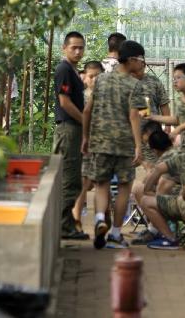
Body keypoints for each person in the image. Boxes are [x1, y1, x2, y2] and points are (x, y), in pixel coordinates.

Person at [82, 40, 146, 249]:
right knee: (124, 187)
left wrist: (85, 137)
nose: (142, 64)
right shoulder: (134, 85)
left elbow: (87, 111)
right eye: (141, 60)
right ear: (133, 59)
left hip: (99, 141)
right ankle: (116, 234)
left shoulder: (100, 80)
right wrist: (138, 145)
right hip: (124, 144)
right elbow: (134, 115)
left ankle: (100, 217)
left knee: (101, 184)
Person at [138, 126, 185, 249]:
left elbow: (158, 172)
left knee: (146, 197)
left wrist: (147, 188)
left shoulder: (183, 158)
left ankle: (169, 237)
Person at [53, 31, 89, 240]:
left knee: (73, 177)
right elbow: (65, 102)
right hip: (68, 128)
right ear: (64, 48)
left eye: (81, 47)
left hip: (74, 129)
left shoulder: (73, 70)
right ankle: (63, 226)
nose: (78, 51)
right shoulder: (64, 69)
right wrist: (84, 120)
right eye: (74, 47)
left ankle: (65, 225)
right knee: (69, 178)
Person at [72, 59, 106, 233]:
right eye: (91, 76)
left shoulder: (105, 97)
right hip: (86, 144)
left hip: (101, 144)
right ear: (84, 77)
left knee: (99, 183)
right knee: (84, 183)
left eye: (98, 76)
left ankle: (99, 221)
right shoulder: (81, 96)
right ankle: (76, 219)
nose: (94, 80)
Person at [132, 60, 170, 168]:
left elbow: (164, 104)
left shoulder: (154, 81)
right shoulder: (125, 81)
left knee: (152, 165)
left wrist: (167, 126)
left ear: (144, 65)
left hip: (151, 131)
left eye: (139, 68)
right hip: (130, 132)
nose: (136, 72)